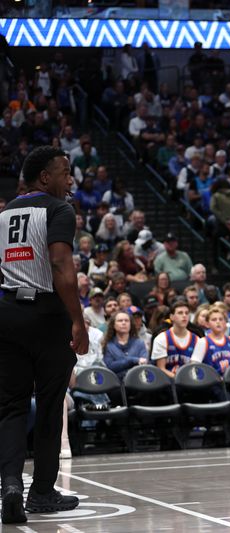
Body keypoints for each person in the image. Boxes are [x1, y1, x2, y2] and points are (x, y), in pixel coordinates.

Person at [0, 146, 88, 524]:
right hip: (49, 314)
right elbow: (59, 262)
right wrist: (78, 320)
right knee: (51, 404)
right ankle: (41, 493)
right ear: (43, 177)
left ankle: (9, 486)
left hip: (7, 315)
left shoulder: (3, 215)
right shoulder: (59, 209)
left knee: (11, 406)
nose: (71, 180)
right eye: (65, 172)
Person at [150, 300, 201, 378]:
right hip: (167, 383)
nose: (184, 316)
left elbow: (196, 368)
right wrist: (180, 380)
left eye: (187, 313)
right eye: (180, 313)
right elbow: (161, 369)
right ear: (171, 317)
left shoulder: (197, 340)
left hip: (190, 382)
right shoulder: (161, 338)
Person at [102, 310, 148, 381]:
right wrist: (133, 360)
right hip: (116, 383)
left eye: (126, 320)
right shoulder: (108, 345)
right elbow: (110, 366)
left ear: (130, 324)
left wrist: (122, 363)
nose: (124, 323)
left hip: (138, 381)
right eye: (120, 321)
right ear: (113, 325)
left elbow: (144, 362)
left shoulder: (139, 343)